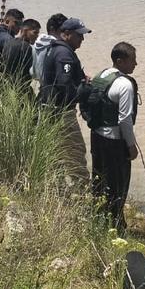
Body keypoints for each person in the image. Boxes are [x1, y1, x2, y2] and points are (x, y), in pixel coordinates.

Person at [87, 41, 140, 230]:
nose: (136, 64)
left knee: (99, 179)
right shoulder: (124, 84)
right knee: (118, 184)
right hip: (115, 142)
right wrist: (131, 145)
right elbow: (125, 118)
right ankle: (116, 224)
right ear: (120, 60)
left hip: (96, 136)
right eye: (132, 60)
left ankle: (98, 218)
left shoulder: (102, 75)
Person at [36, 17, 91, 181]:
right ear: (66, 34)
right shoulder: (64, 54)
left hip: (49, 110)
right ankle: (80, 194)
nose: (82, 39)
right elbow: (65, 86)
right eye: (79, 35)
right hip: (61, 113)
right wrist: (83, 91)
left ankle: (57, 190)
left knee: (55, 154)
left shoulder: (57, 49)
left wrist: (80, 79)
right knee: (76, 152)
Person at [1, 18, 39, 93]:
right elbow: (29, 73)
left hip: (6, 87)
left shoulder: (10, 42)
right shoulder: (26, 47)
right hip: (20, 89)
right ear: (25, 30)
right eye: (35, 33)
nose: (37, 36)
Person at [32, 13, 67, 82]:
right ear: (52, 29)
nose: (65, 34)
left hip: (42, 86)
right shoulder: (57, 47)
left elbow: (34, 73)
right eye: (62, 30)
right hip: (55, 89)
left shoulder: (36, 44)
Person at [0, 8, 23, 75]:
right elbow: (9, 64)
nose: (19, 27)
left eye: (21, 24)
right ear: (7, 21)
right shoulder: (8, 39)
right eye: (17, 23)